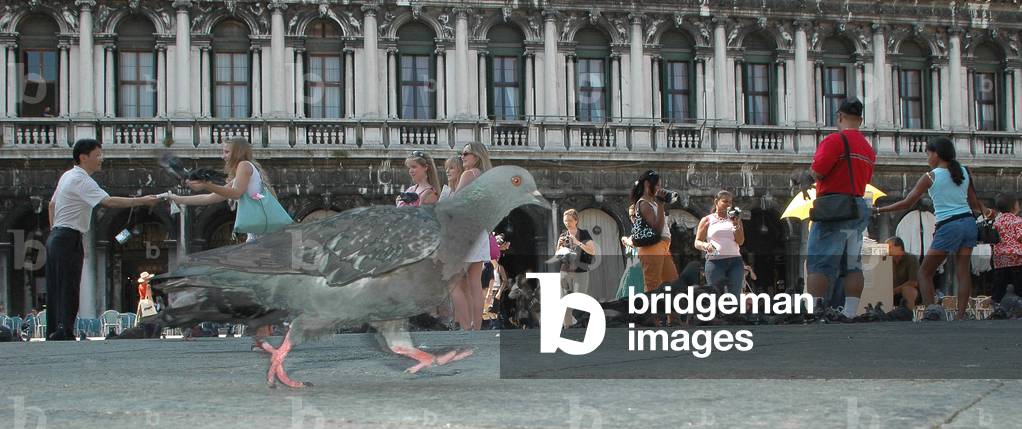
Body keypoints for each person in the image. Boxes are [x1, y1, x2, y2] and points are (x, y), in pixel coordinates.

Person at [167, 137, 287, 347]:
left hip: (264, 237)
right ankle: (263, 333)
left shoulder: (245, 166)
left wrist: (206, 183)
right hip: (258, 236)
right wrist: (180, 199)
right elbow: (210, 198)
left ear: (238, 152)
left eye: (225, 152)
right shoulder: (243, 170)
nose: (222, 156)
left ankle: (265, 332)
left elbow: (234, 193)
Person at [46, 139, 159, 341]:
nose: (101, 159)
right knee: (69, 285)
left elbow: (52, 204)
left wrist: (55, 229)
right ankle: (64, 331)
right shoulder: (81, 180)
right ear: (83, 157)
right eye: (97, 155)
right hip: (68, 235)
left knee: (57, 284)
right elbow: (108, 201)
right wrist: (142, 200)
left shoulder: (67, 176)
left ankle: (57, 329)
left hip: (58, 235)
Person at [876, 137, 990, 319]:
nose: (928, 158)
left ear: (936, 154)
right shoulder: (964, 171)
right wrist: (989, 212)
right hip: (968, 223)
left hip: (948, 226)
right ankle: (960, 316)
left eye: (928, 154)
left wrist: (880, 209)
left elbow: (907, 203)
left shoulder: (931, 176)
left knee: (924, 272)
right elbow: (974, 202)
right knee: (963, 272)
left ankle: (934, 312)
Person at [805, 98, 876, 319]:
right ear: (861, 120)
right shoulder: (867, 148)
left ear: (839, 116)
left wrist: (803, 176)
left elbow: (818, 171)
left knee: (818, 262)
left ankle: (815, 311)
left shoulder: (835, 140)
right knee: (853, 264)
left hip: (834, 207)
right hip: (858, 206)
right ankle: (850, 312)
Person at [449, 142, 493, 330]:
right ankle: (476, 328)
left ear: (476, 156)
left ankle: (465, 327)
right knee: (475, 283)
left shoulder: (469, 174)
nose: (462, 157)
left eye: (466, 153)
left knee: (455, 283)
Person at [630, 170, 679, 326]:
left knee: (672, 282)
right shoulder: (643, 203)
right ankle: (652, 320)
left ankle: (674, 319)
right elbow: (657, 228)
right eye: (657, 184)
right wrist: (659, 202)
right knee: (653, 285)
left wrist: (660, 202)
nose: (659, 187)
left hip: (663, 246)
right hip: (652, 247)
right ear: (647, 184)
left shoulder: (652, 202)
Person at [694, 190, 745, 296]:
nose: (728, 205)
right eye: (725, 201)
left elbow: (740, 241)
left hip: (735, 261)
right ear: (716, 201)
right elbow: (697, 242)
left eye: (730, 202)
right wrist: (705, 245)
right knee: (715, 295)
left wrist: (736, 224)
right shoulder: (707, 219)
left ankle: (733, 312)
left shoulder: (736, 219)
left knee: (734, 296)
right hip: (715, 262)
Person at [556, 209, 596, 327]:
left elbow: (592, 251)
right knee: (564, 300)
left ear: (576, 220)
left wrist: (577, 242)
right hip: (565, 271)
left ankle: (580, 325)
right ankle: (568, 327)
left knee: (578, 300)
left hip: (581, 271)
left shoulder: (584, 233)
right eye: (565, 221)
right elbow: (557, 255)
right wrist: (560, 246)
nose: (567, 223)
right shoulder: (563, 235)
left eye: (569, 220)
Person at [991, 193, 1022, 303]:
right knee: (1019, 286)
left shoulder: (996, 222)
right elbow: (1020, 237)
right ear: (1014, 206)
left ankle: (997, 305)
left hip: (1000, 259)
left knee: (1000, 285)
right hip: (1016, 259)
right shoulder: (1017, 220)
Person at [886, 237, 920, 309]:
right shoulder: (885, 260)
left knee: (908, 290)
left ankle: (908, 316)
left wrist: (894, 291)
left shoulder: (911, 259)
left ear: (898, 247)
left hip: (909, 292)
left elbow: (913, 282)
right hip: (891, 292)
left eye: (889, 247)